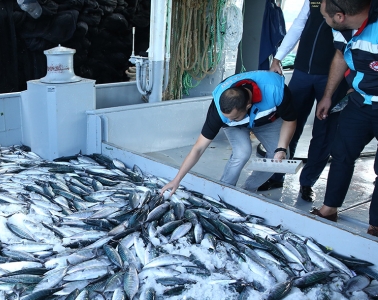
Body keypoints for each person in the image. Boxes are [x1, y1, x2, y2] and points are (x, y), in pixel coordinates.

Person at [259, 0, 348, 203]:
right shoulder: (313, 1)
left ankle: (307, 182)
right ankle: (277, 175)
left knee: (324, 131)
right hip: (302, 73)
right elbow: (299, 24)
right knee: (289, 122)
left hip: (332, 76)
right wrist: (278, 57)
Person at [160, 70, 297, 197]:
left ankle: (247, 191)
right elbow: (198, 148)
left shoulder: (276, 90)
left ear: (248, 106)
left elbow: (290, 120)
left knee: (278, 156)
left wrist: (281, 148)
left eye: (234, 117)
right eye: (227, 117)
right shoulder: (220, 113)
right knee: (242, 153)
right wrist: (177, 180)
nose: (229, 120)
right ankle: (223, 191)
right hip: (238, 126)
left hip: (266, 120)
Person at [310, 0, 378, 236]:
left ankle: (376, 225)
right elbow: (341, 56)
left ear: (340, 16)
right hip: (359, 101)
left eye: (325, 16)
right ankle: (329, 209)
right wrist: (328, 95)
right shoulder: (341, 28)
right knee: (341, 153)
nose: (323, 19)